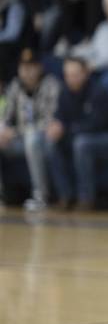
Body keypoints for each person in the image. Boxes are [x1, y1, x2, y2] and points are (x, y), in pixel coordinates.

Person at [46, 56, 108, 211]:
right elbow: (59, 117)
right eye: (67, 75)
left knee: (82, 143)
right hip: (79, 137)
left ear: (85, 74)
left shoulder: (99, 91)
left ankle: (86, 199)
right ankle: (65, 196)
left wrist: (66, 129)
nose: (71, 79)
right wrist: (56, 125)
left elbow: (96, 125)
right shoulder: (64, 92)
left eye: (75, 74)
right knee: (51, 142)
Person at [0, 49, 60, 211]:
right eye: (23, 67)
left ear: (39, 67)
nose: (26, 71)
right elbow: (7, 116)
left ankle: (41, 195)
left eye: (31, 66)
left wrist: (18, 131)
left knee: (32, 139)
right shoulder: (15, 85)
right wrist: (4, 129)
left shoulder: (50, 84)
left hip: (43, 140)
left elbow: (50, 119)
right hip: (19, 141)